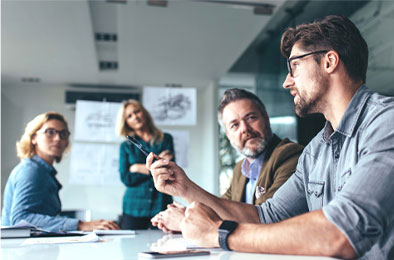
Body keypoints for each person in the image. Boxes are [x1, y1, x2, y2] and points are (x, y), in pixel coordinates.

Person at [147, 15, 394, 259]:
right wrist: (185, 188)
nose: (287, 82)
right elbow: (265, 216)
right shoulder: (316, 151)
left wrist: (220, 233)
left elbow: (342, 233)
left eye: (294, 67)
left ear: (329, 61)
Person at [150, 89, 303, 232]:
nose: (244, 129)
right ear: (228, 135)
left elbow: (265, 221)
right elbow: (220, 211)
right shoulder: (240, 169)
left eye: (251, 118)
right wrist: (188, 214)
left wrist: (185, 219)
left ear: (266, 119)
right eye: (234, 125)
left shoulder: (290, 155)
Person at [1, 112, 119, 232]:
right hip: (19, 249)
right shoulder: (31, 171)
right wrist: (80, 225)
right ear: (33, 138)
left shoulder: (44, 172)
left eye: (63, 134)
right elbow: (21, 220)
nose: (58, 138)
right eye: (50, 132)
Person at [116, 99, 174, 229]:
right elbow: (126, 178)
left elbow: (168, 171)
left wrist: (137, 167)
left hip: (161, 204)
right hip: (133, 207)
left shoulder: (166, 139)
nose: (135, 117)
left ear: (144, 113)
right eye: (129, 116)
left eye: (137, 112)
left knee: (164, 245)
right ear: (126, 122)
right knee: (130, 247)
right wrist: (155, 168)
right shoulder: (125, 146)